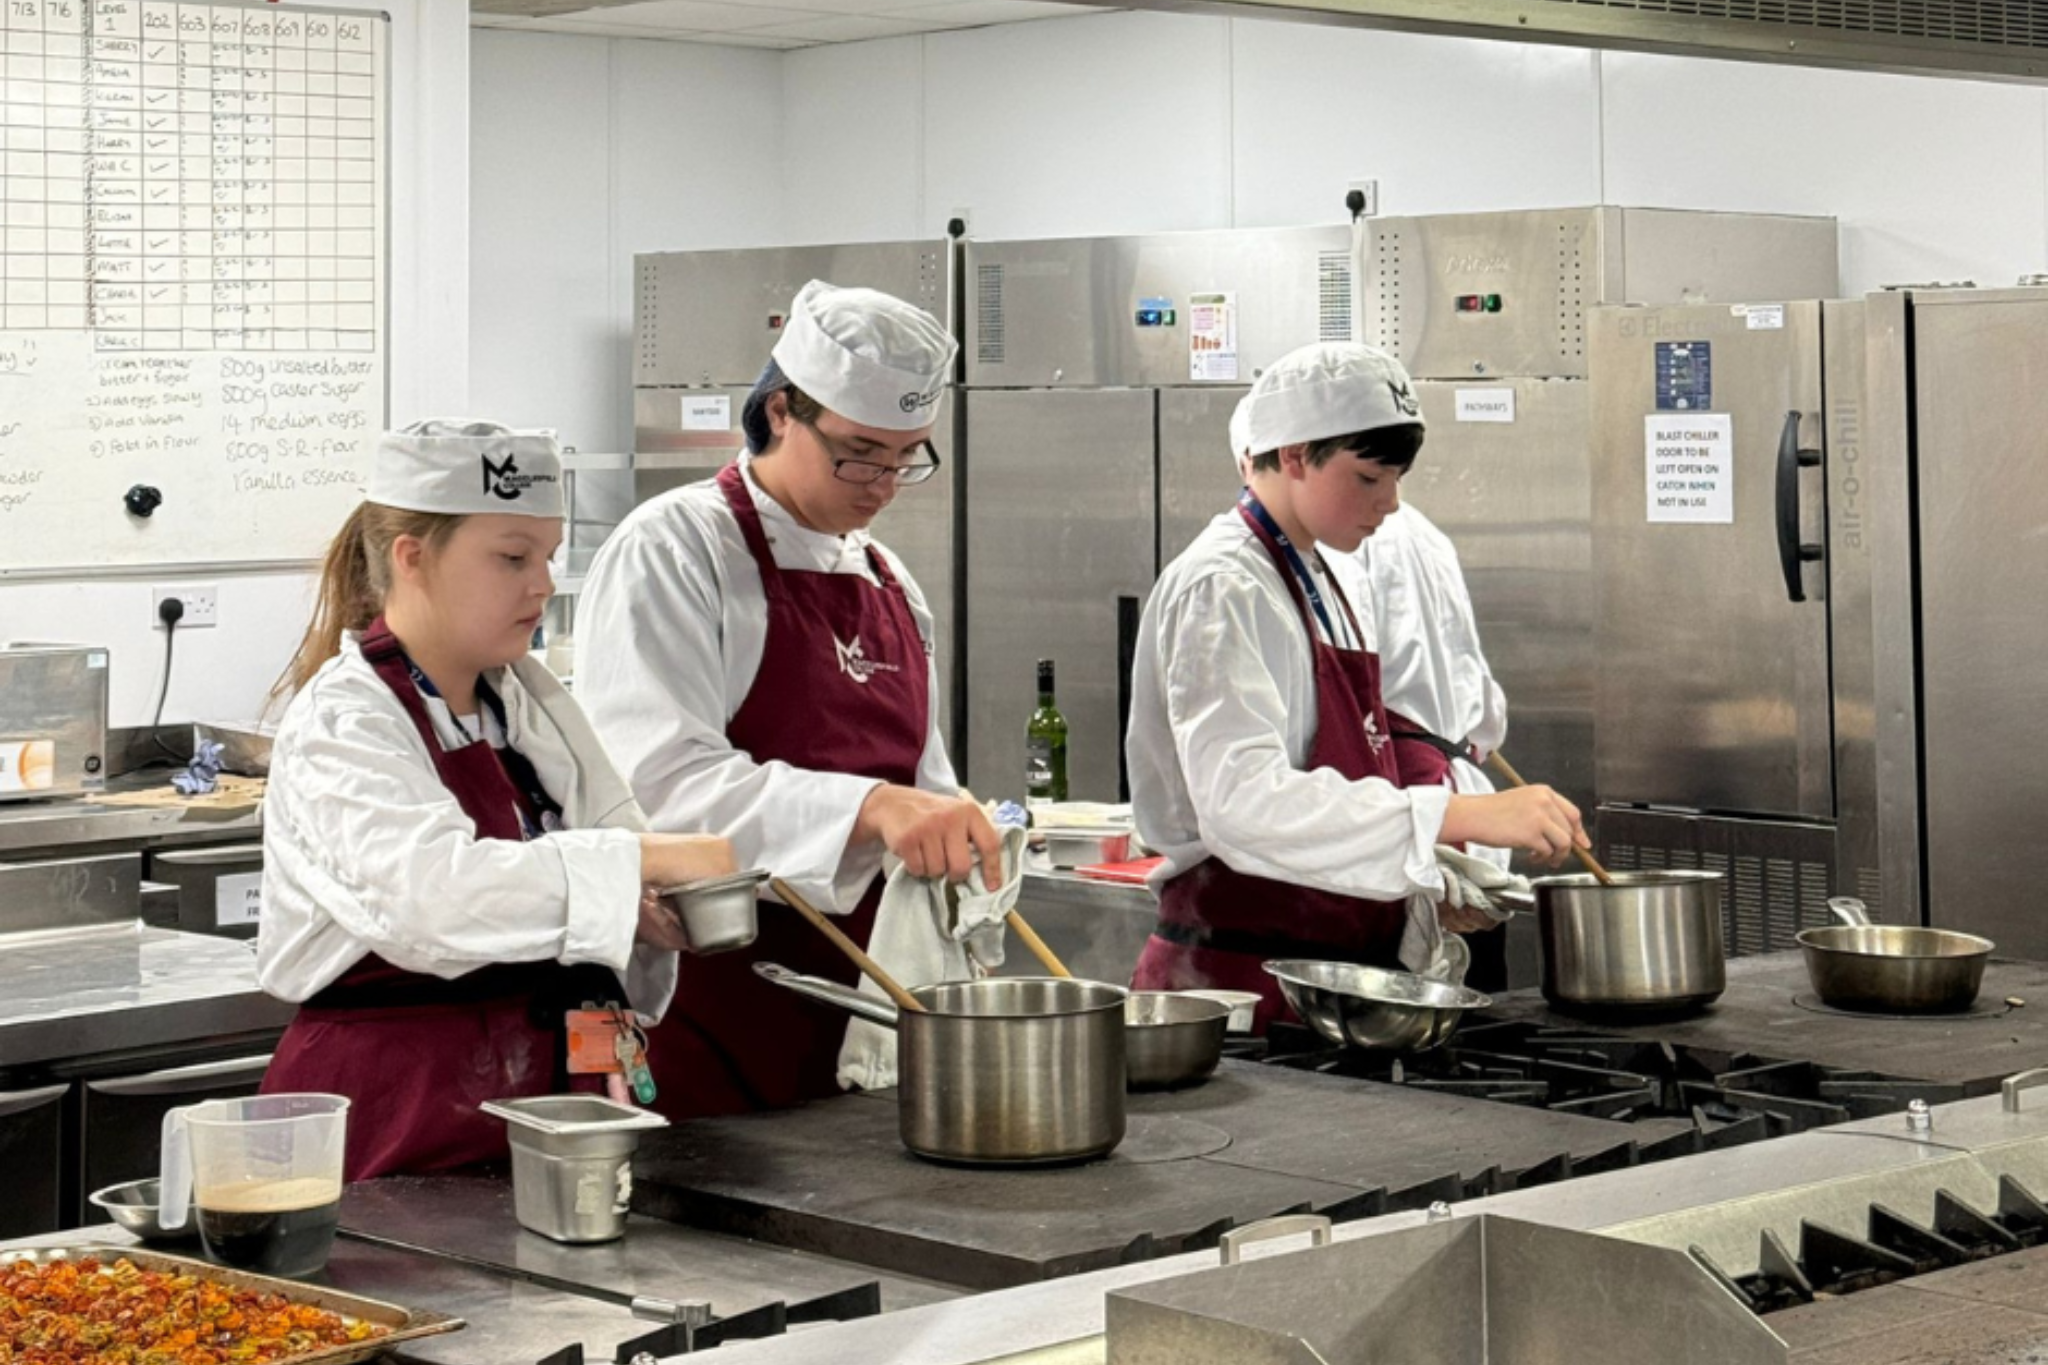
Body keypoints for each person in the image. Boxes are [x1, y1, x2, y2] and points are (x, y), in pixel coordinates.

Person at [258, 420, 735, 1180]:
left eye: (547, 555)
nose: (542, 583)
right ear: (413, 558)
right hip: (395, 1123)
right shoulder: (344, 721)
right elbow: (433, 900)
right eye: (512, 557)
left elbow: (594, 860)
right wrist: (632, 863)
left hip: (547, 1106)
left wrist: (640, 910)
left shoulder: (530, 702)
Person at [577, 281, 1001, 1118]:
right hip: (708, 997)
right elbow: (657, 791)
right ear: (778, 411)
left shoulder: (890, 580)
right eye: (859, 452)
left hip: (863, 1007)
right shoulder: (676, 546)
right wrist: (871, 809)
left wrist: (961, 838)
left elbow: (924, 777)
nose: (883, 482)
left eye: (907, 456)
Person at [1127, 344, 1585, 1032]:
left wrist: (1417, 881)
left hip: (1331, 981)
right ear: (1292, 455)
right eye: (1369, 477)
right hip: (1238, 991)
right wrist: (1450, 817)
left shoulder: (1325, 575)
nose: (1391, 503)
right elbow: (1242, 802)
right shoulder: (1224, 585)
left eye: (1396, 478)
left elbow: (1341, 780)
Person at [1353, 500, 1517, 990]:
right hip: (1462, 812)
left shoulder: (1339, 547)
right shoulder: (1426, 533)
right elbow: (1486, 715)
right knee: (1478, 1041)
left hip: (1413, 838)